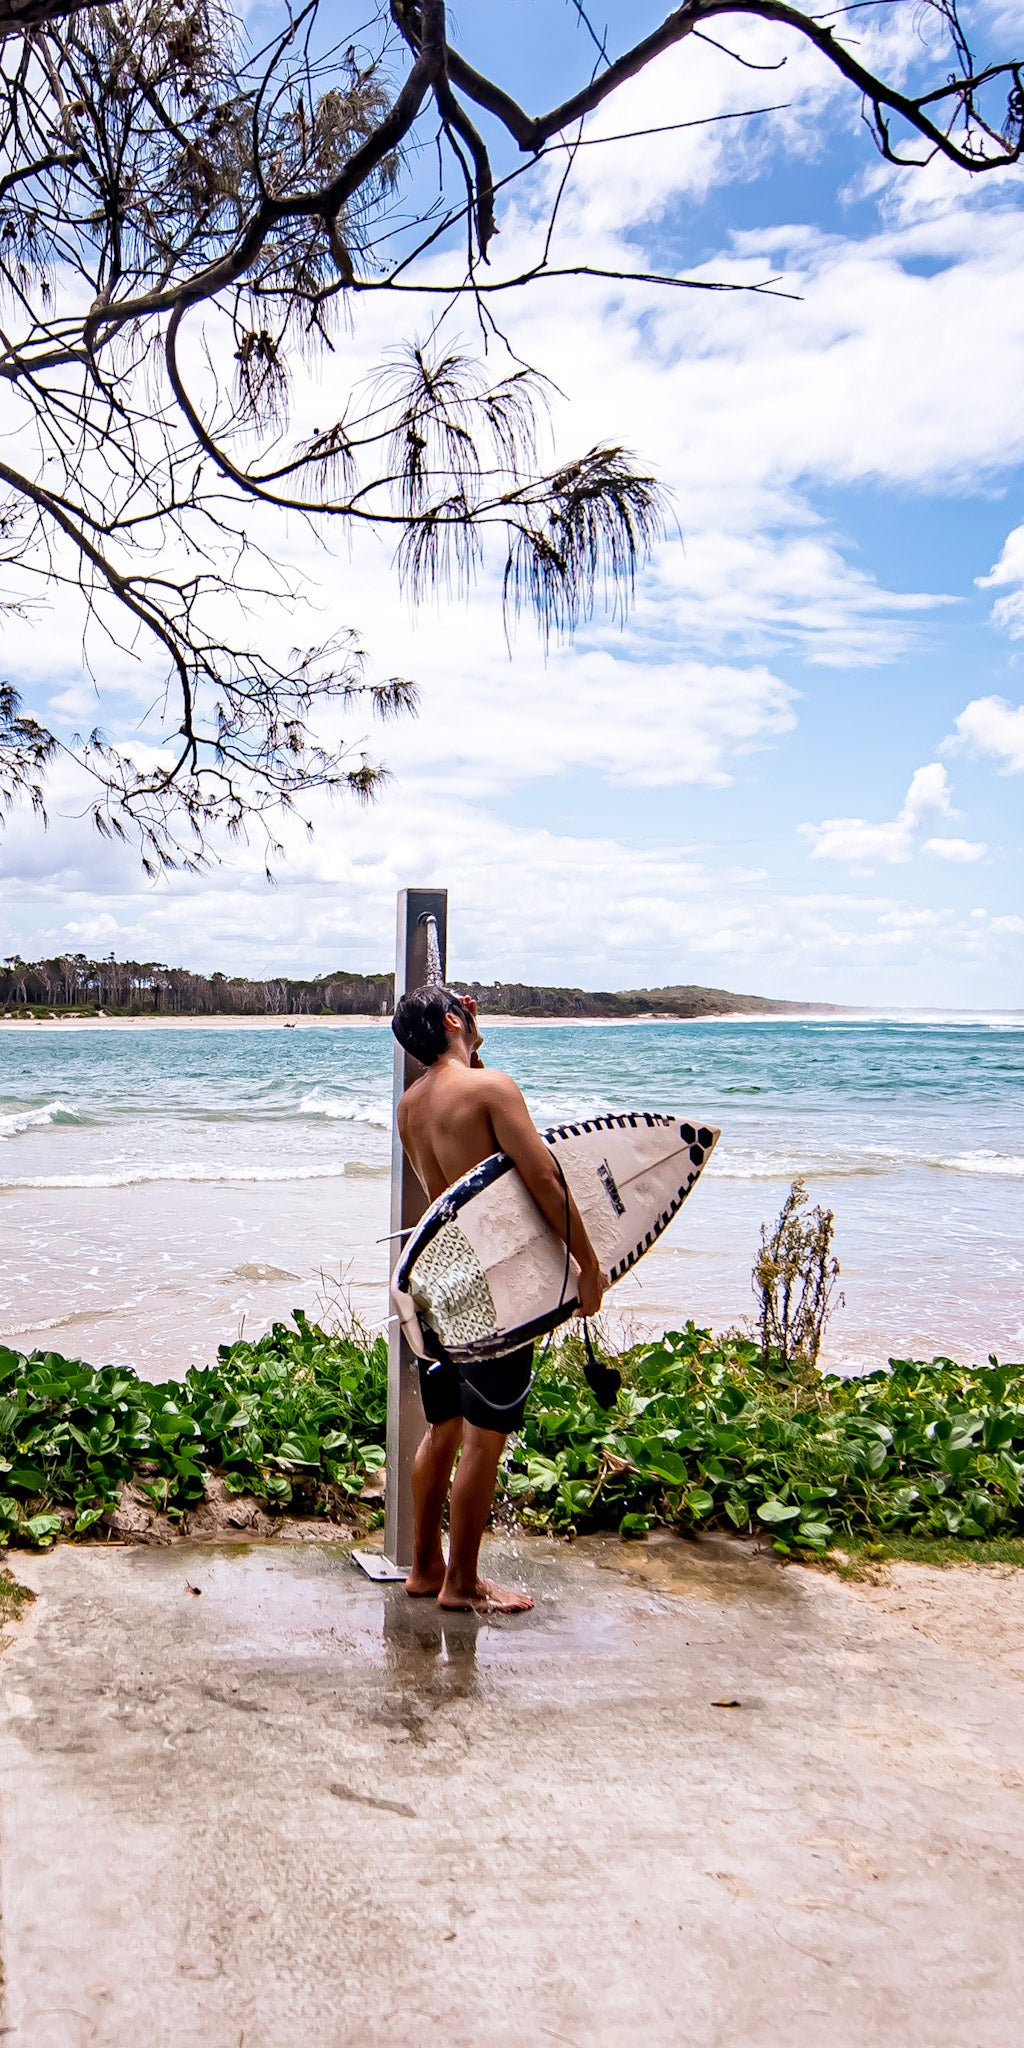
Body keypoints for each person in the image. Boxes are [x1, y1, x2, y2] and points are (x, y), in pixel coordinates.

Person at [392, 984, 605, 1614]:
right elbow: (542, 1177)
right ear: (455, 1019)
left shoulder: (410, 1105)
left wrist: (466, 1045)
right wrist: (587, 1267)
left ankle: (426, 1568)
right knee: (485, 1439)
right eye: (468, 1011)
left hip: (440, 1279)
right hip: (495, 1288)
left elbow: (457, 1183)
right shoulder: (492, 1090)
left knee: (443, 1428)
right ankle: (464, 1584)